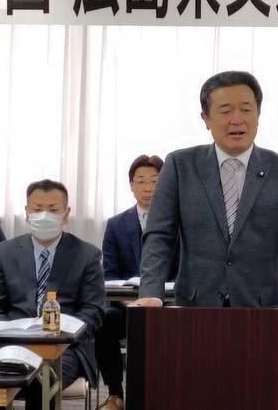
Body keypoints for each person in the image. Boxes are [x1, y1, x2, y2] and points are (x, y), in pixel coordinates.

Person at [135, 70, 278, 332]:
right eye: (225, 110)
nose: (237, 119)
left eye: (246, 109)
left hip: (263, 313)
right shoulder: (180, 166)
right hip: (194, 311)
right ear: (205, 118)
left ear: (258, 114)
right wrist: (151, 292)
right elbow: (159, 237)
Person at [0, 179, 105, 410]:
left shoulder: (87, 255)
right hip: (12, 343)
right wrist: (5, 332)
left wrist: (66, 332)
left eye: (52, 209)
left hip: (65, 348)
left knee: (42, 379)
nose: (44, 216)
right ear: (27, 213)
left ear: (66, 214)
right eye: (37, 209)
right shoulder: (3, 253)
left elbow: (94, 311)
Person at [96, 154, 176, 410]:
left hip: (168, 306)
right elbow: (110, 275)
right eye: (141, 181)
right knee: (102, 322)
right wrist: (131, 302)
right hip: (125, 307)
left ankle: (169, 394)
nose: (148, 188)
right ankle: (115, 395)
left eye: (154, 181)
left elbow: (184, 271)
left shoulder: (179, 222)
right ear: (131, 186)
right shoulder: (116, 225)